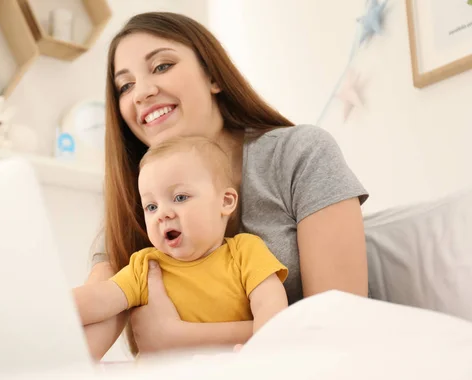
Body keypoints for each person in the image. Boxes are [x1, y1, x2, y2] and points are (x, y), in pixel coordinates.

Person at [82, 11, 369, 360]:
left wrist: (176, 336)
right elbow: (85, 324)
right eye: (124, 86)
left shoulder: (299, 154)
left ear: (213, 76)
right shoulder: (134, 198)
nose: (141, 92)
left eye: (161, 66)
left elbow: (340, 323)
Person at [73, 136, 289, 353]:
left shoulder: (245, 251)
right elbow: (100, 299)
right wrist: (50, 307)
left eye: (179, 198)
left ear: (225, 201)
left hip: (227, 377)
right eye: (151, 206)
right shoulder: (146, 267)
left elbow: (269, 303)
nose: (162, 214)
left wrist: (263, 352)